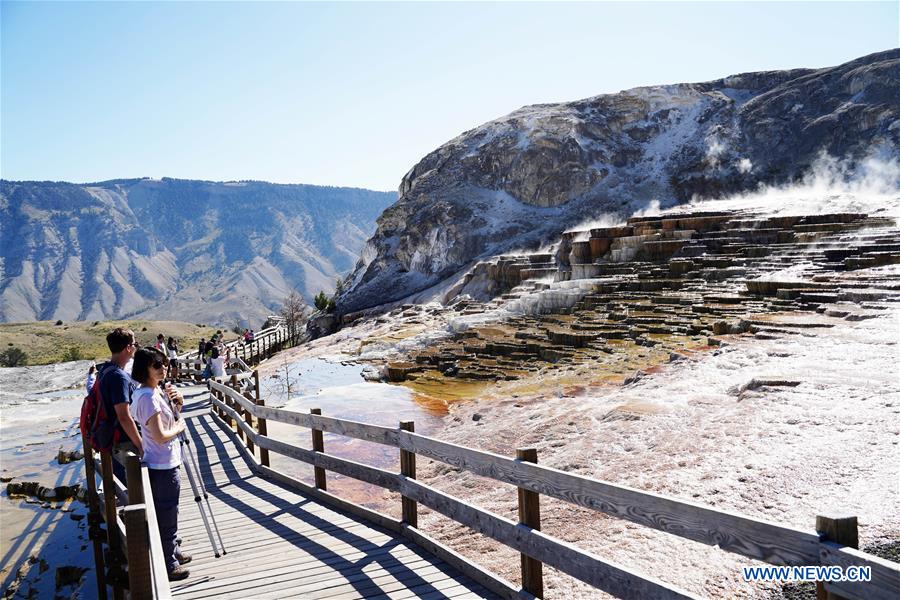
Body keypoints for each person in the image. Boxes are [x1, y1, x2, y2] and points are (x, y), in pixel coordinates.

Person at [129, 347, 191, 581]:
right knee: (166, 513)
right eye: (157, 365)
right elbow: (161, 435)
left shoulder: (153, 392)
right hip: (161, 464)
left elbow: (169, 418)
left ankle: (173, 551)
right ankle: (169, 563)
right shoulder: (147, 397)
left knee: (170, 510)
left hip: (165, 461)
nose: (163, 368)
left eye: (164, 363)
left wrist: (178, 402)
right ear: (144, 369)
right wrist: (180, 427)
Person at [97, 328, 143, 481]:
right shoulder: (119, 377)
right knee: (134, 488)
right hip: (124, 441)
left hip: (112, 437)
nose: (136, 347)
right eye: (134, 344)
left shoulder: (104, 370)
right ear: (128, 348)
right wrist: (141, 444)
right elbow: (124, 416)